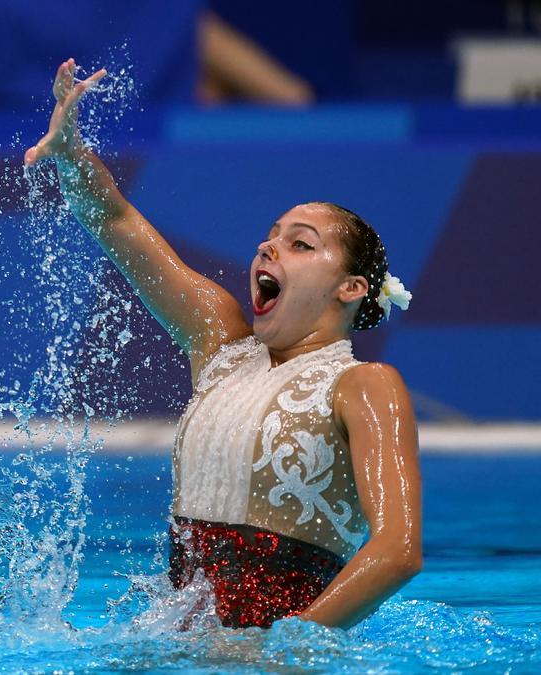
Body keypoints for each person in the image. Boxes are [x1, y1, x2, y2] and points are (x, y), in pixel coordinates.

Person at [24, 59, 422, 629]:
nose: (269, 249)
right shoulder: (222, 348)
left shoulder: (363, 385)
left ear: (351, 289)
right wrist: (71, 152)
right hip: (178, 642)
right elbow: (115, 221)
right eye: (269, 238)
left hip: (277, 657)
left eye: (301, 245)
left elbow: (397, 550)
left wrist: (288, 647)